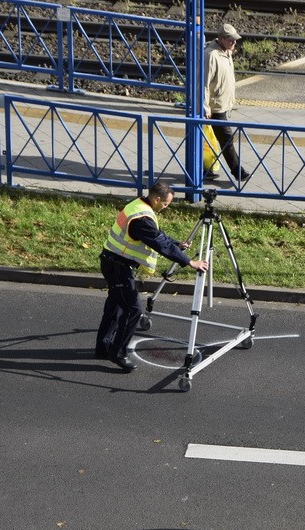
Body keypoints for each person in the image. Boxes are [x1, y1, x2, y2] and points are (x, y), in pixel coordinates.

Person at [96, 182, 208, 372]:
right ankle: (118, 353)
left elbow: (157, 236)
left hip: (112, 261)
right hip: (118, 267)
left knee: (115, 306)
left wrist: (175, 244)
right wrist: (189, 262)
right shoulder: (142, 218)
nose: (166, 207)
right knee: (133, 310)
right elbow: (158, 242)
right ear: (157, 199)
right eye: (165, 204)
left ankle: (103, 347)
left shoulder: (139, 205)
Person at [204, 23, 251, 182]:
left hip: (223, 104)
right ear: (222, 39)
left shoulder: (226, 52)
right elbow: (203, 83)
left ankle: (204, 169)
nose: (235, 43)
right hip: (214, 107)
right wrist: (205, 107)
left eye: (235, 40)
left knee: (207, 140)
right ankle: (238, 171)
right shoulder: (211, 55)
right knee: (226, 139)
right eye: (231, 40)